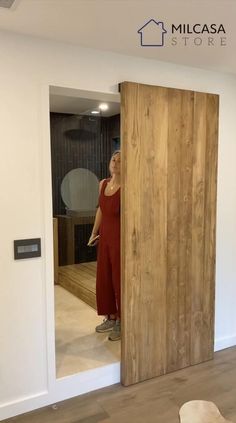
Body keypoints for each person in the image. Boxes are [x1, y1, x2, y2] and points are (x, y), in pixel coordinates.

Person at [88, 150, 121, 341]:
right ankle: (110, 316)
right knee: (104, 278)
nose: (115, 163)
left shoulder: (128, 186)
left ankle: (122, 321)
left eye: (120, 161)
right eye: (113, 159)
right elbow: (100, 209)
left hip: (119, 239)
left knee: (119, 279)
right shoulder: (103, 184)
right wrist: (94, 233)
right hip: (105, 238)